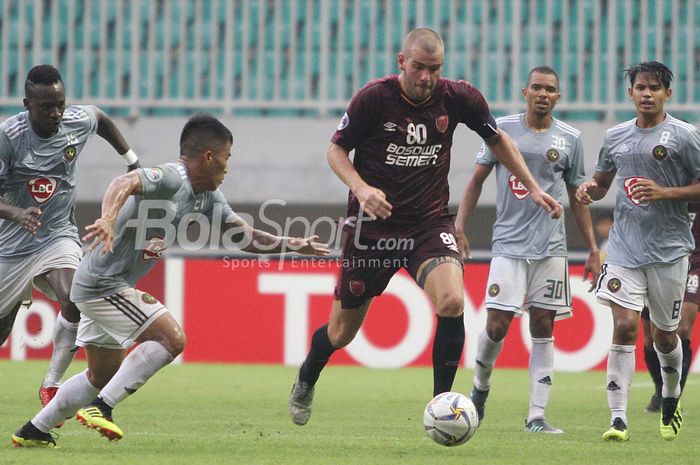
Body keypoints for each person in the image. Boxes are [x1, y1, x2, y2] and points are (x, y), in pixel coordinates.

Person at [288, 28, 563, 427]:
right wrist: (361, 188)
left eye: (434, 69)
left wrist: (534, 188)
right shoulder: (374, 98)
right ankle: (307, 377)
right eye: (418, 67)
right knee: (341, 332)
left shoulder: (458, 97)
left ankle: (443, 410)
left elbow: (498, 139)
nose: (426, 77)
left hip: (428, 223)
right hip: (373, 229)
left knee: (452, 301)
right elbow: (335, 149)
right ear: (402, 61)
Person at [12, 114, 330, 447]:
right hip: (103, 285)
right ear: (209, 157)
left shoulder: (207, 196)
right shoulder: (172, 178)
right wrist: (107, 217)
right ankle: (101, 407)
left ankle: (34, 429)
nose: (228, 167)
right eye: (227, 158)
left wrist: (290, 244)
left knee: (100, 374)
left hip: (103, 286)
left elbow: (244, 236)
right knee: (171, 339)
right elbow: (124, 183)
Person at [454, 66, 600, 434]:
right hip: (508, 245)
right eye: (536, 87)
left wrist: (594, 249)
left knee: (543, 325)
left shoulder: (570, 138)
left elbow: (577, 198)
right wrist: (459, 227)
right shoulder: (501, 130)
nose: (542, 94)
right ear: (525, 91)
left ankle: (536, 416)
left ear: (558, 96)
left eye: (550, 89)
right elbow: (476, 180)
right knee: (497, 325)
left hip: (551, 248)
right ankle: (480, 389)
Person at [0, 64, 139, 412]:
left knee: (75, 295)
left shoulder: (75, 122)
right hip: (10, 247)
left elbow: (101, 119)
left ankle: (51, 384)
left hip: (56, 236)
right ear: (27, 104)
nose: (56, 113)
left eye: (60, 103)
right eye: (47, 106)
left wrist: (131, 161)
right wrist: (15, 213)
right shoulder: (8, 138)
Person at [576, 61, 700, 442]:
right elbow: (601, 182)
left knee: (666, 336)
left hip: (671, 251)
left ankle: (670, 396)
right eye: (641, 87)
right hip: (625, 250)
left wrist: (666, 193)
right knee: (626, 326)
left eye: (655, 88)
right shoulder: (615, 137)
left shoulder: (685, 136)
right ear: (630, 93)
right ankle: (617, 420)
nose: (647, 93)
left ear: (667, 94)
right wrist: (588, 191)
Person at [641, 201, 700, 413]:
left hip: (694, 263)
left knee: (683, 327)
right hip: (659, 261)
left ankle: (674, 397)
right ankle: (661, 391)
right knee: (651, 338)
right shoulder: (664, 182)